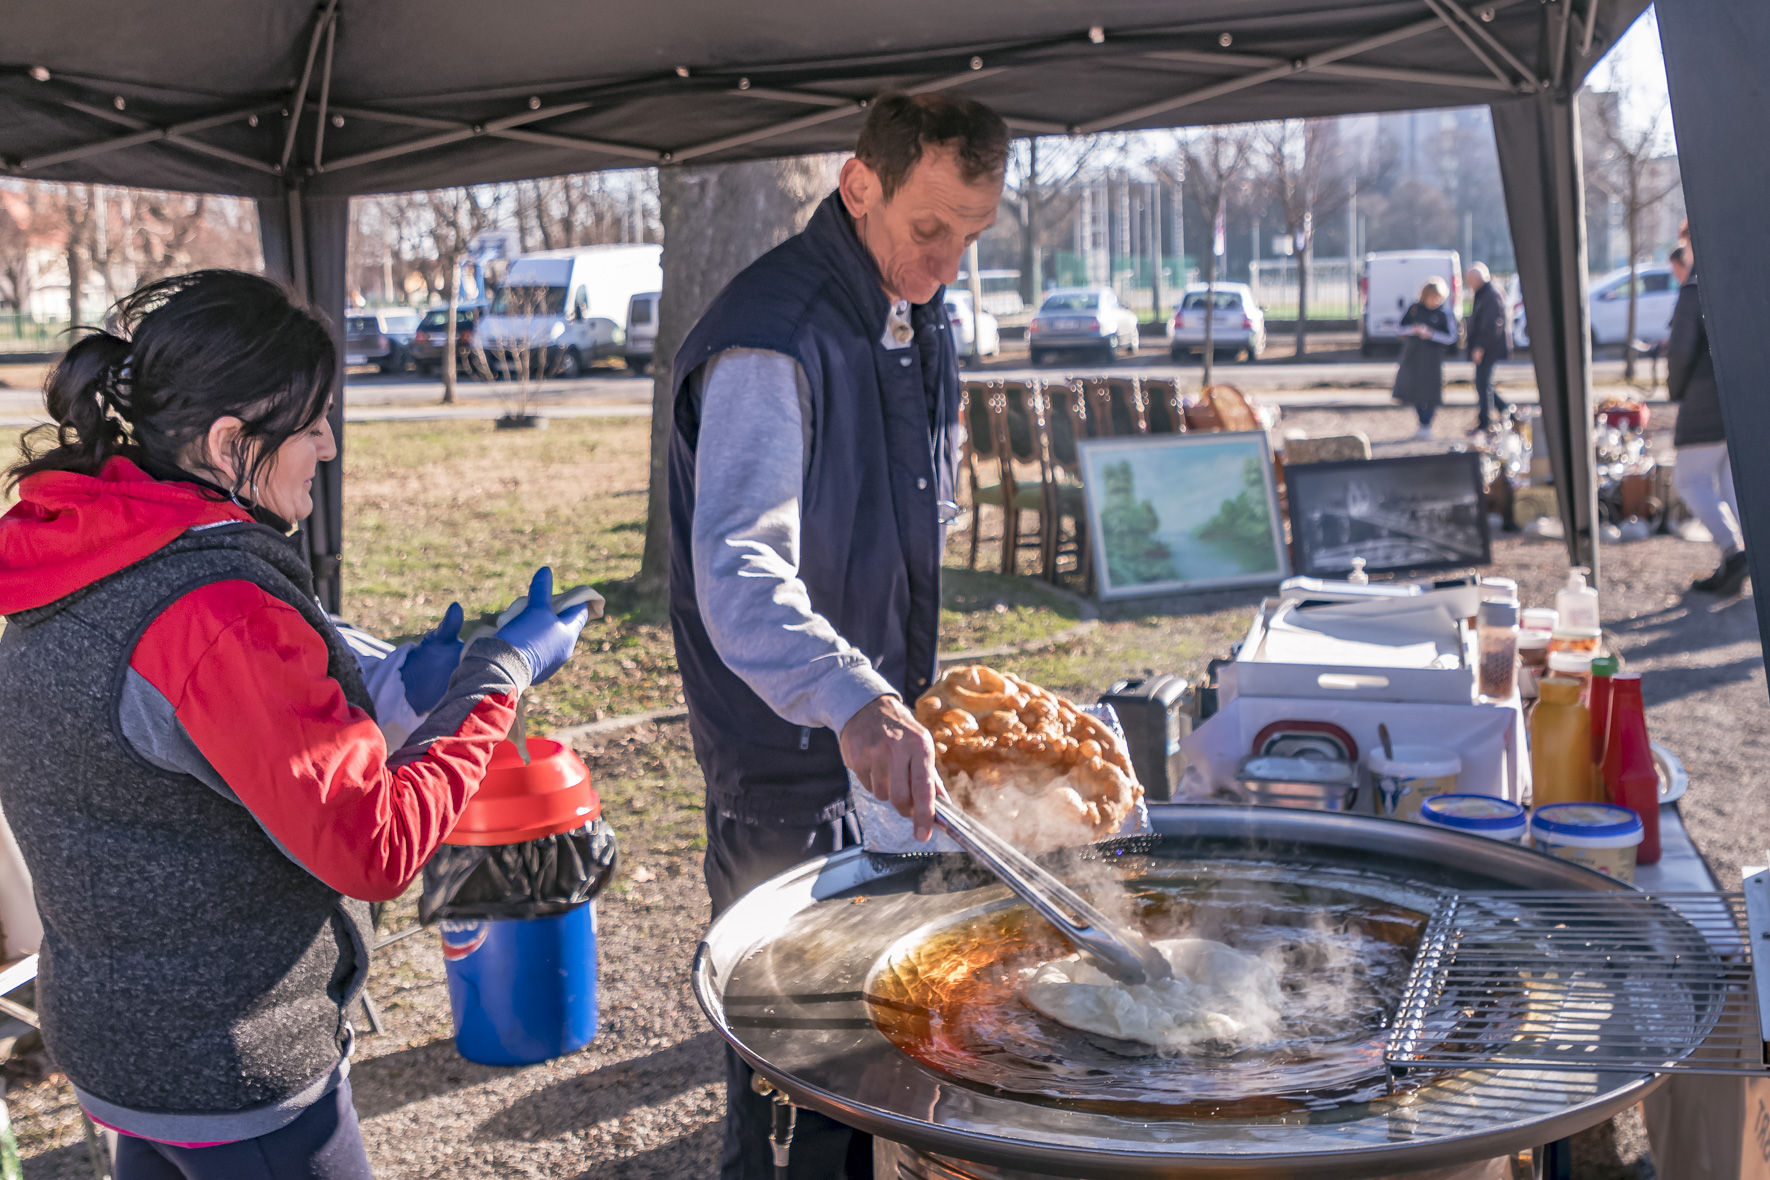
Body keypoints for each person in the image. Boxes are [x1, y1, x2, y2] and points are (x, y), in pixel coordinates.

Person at [0, 271, 591, 1178]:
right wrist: (497, 677)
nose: (328, 443)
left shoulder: (73, 547)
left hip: (123, 1044)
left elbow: (178, 762)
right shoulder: (218, 612)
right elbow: (375, 845)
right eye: (311, 420)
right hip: (236, 1071)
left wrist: (388, 692)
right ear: (231, 441)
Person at [667, 93, 1008, 1179]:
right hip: (785, 766)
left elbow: (909, 504)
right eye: (930, 229)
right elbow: (737, 565)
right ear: (860, 183)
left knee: (875, 1058)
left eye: (970, 237)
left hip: (873, 744)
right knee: (796, 1101)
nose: (950, 262)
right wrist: (854, 691)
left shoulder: (913, 310)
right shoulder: (772, 334)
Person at [1666, 245, 1748, 595]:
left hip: (1704, 397)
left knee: (1690, 480)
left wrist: (1675, 389)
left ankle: (1735, 551)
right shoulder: (1733, 281)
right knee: (1729, 483)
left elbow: (1681, 350)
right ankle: (1743, 554)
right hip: (1736, 394)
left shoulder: (1695, 289)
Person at [1391, 277, 1460, 441]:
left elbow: (1451, 337)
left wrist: (1431, 334)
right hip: (1413, 355)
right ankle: (1422, 422)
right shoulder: (1414, 308)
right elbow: (1398, 328)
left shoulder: (1444, 313)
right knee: (1413, 389)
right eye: (1431, 297)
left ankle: (1426, 423)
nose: (1434, 301)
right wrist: (1413, 329)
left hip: (1432, 358)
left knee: (1431, 391)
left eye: (1438, 298)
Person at [1464, 262, 1511, 433]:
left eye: (1469, 280)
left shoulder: (1490, 295)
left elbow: (1492, 325)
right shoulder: (1484, 293)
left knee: (1483, 384)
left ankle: (1486, 422)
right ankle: (1508, 411)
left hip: (1488, 348)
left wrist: (1480, 347)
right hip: (1486, 347)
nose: (1468, 284)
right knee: (1484, 384)